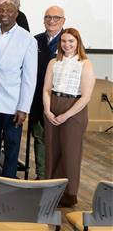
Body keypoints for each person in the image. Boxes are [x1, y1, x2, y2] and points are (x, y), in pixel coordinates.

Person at [0, 1, 37, 180]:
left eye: (9, 11)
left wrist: (24, 108)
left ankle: (9, 182)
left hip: (13, 103)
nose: (5, 13)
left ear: (17, 14)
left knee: (12, 145)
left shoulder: (27, 39)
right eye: (1, 10)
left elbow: (29, 77)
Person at [43, 28, 95, 207]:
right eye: (64, 41)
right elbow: (46, 89)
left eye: (71, 41)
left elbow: (86, 96)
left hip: (74, 108)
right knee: (52, 150)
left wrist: (66, 115)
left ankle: (69, 194)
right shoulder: (53, 62)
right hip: (53, 105)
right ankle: (50, 187)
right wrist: (47, 110)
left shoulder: (85, 64)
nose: (67, 45)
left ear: (78, 42)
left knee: (70, 152)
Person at [30, 6, 65, 180]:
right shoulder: (35, 40)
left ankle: (58, 178)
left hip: (62, 100)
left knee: (60, 141)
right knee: (40, 137)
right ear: (43, 20)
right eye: (48, 17)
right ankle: (41, 175)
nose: (52, 21)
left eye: (56, 18)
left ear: (63, 21)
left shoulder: (69, 40)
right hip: (37, 98)